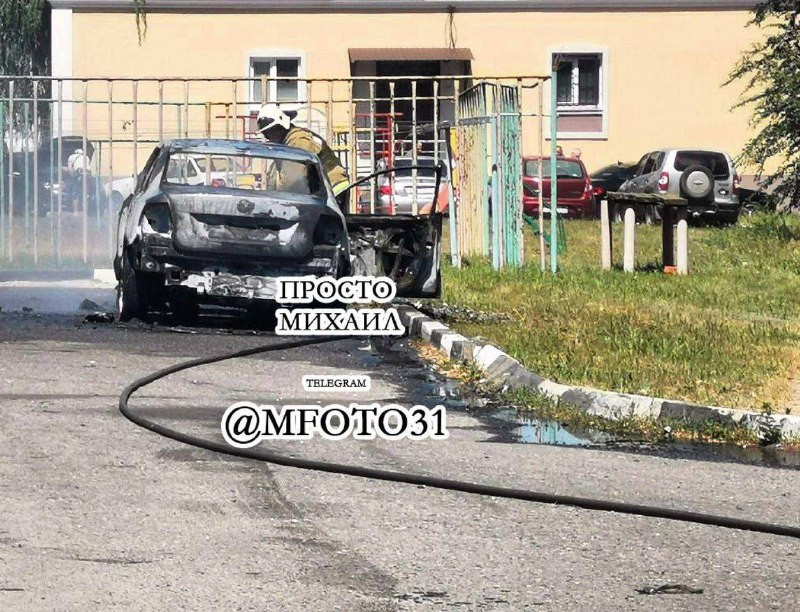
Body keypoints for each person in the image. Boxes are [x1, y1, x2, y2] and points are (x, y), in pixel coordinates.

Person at [256, 103, 351, 210]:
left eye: (269, 132)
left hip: (333, 189)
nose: (268, 137)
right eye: (265, 134)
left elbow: (294, 181)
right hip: (322, 193)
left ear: (280, 126)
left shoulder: (298, 140)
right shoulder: (286, 146)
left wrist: (281, 205)